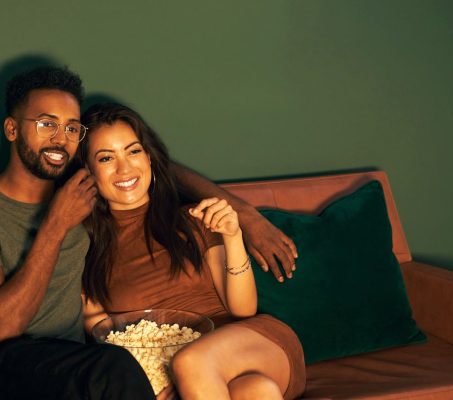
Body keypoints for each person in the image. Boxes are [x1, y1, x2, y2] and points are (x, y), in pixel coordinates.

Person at [0, 65, 299, 399]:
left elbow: (142, 168)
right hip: (1, 366)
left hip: (77, 360)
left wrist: (243, 215)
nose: (60, 138)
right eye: (46, 124)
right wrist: (55, 224)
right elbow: (1, 328)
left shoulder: (86, 215)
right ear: (12, 128)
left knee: (256, 390)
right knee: (118, 369)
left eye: (71, 128)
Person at [78, 103, 307, 400]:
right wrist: (157, 377)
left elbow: (243, 309)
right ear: (88, 171)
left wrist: (233, 236)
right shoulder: (85, 245)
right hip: (189, 373)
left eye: (133, 151)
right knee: (255, 391)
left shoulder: (194, 218)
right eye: (106, 157)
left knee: (190, 362)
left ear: (149, 157)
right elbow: (99, 328)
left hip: (254, 344)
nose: (125, 168)